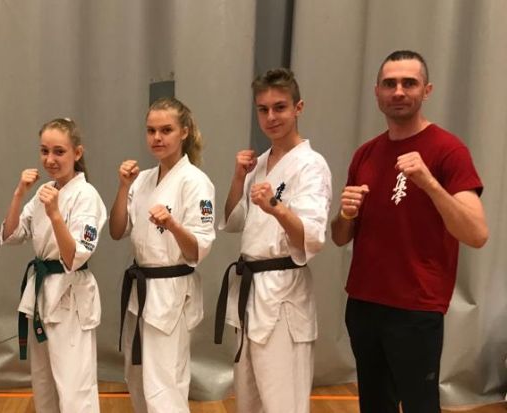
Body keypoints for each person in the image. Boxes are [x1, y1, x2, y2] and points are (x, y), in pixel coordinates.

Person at [331, 50, 488, 413]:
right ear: (377, 92)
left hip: (416, 307)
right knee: (374, 405)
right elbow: (340, 237)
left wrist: (430, 184)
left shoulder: (448, 150)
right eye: (390, 84)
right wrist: (345, 214)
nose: (398, 91)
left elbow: (477, 234)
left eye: (409, 83)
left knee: (420, 406)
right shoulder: (366, 154)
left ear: (426, 90)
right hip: (364, 304)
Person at [214, 68, 332, 413]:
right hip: (250, 289)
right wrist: (239, 178)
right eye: (263, 109)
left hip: (284, 292)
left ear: (298, 108)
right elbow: (234, 221)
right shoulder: (260, 163)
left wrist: (275, 208)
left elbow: (312, 237)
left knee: (283, 402)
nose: (271, 117)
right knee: (248, 399)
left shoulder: (311, 165)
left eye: (279, 107)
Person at [109, 97, 216, 413]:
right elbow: (116, 230)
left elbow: (197, 250)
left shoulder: (196, 182)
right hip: (140, 290)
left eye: (166, 130)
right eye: (151, 130)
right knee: (137, 379)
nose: (157, 137)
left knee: (164, 385)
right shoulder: (142, 179)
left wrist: (172, 225)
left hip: (171, 291)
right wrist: (122, 187)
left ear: (184, 131)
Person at [1, 118, 106, 413]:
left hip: (71, 296)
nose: (50, 159)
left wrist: (55, 214)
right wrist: (19, 193)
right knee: (43, 385)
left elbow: (75, 257)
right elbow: (11, 235)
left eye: (59, 151)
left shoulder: (87, 196)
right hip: (41, 294)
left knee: (74, 390)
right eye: (44, 151)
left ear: (77, 153)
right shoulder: (43, 191)